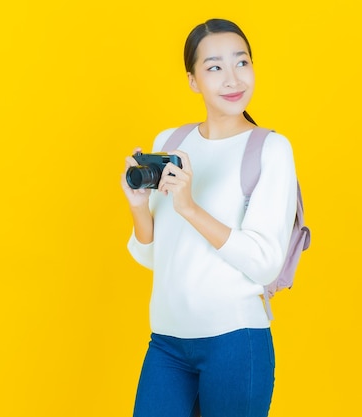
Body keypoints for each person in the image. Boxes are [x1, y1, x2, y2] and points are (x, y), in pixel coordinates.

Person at [120, 18, 298, 417]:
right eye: (215, 67)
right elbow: (154, 257)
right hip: (167, 342)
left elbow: (265, 263)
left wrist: (189, 207)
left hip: (234, 342)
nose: (233, 79)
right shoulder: (170, 142)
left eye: (242, 63)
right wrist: (137, 206)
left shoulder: (270, 148)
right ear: (193, 80)